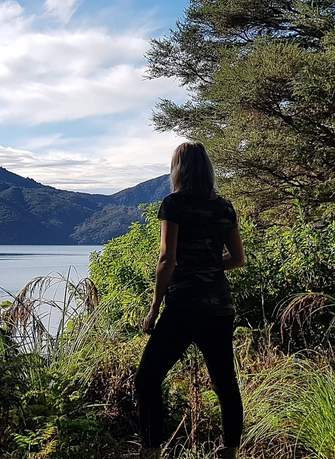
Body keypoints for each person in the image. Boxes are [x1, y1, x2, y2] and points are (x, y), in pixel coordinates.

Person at [135, 142, 246, 459]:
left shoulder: (174, 205)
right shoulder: (224, 208)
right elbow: (238, 259)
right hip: (219, 307)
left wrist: (154, 309)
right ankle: (230, 451)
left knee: (147, 378)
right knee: (225, 382)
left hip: (183, 307)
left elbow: (166, 260)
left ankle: (151, 451)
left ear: (178, 169)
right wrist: (208, 265)